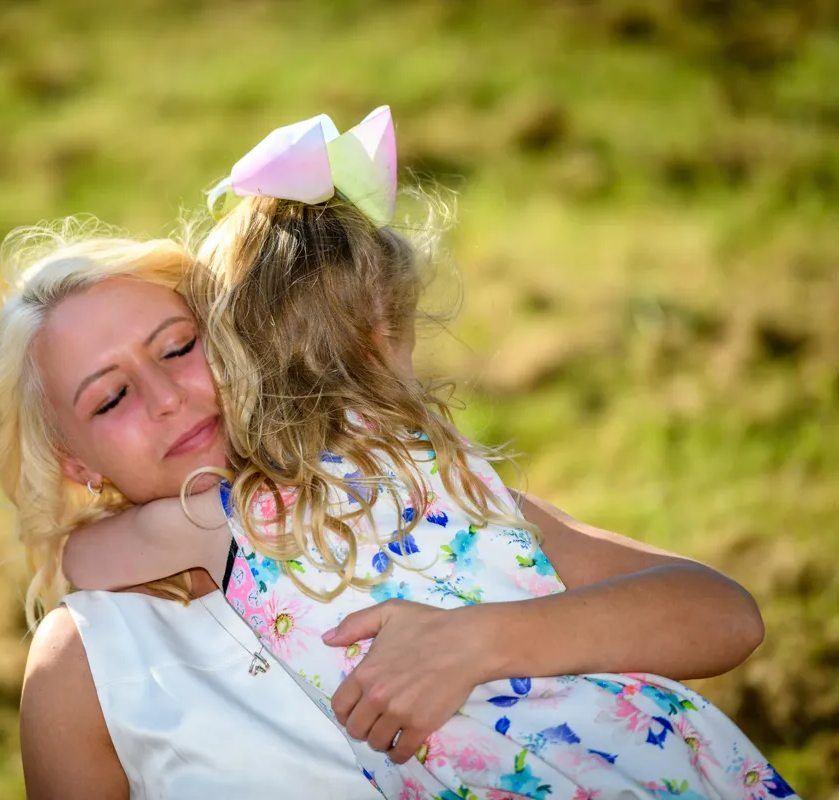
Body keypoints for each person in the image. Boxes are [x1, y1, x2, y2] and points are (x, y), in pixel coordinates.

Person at [60, 109, 795, 799]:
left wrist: (481, 640)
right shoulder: (449, 475)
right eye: (109, 398)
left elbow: (724, 614)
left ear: (234, 352)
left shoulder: (229, 518)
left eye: (180, 349)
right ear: (387, 334)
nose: (164, 399)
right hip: (664, 753)